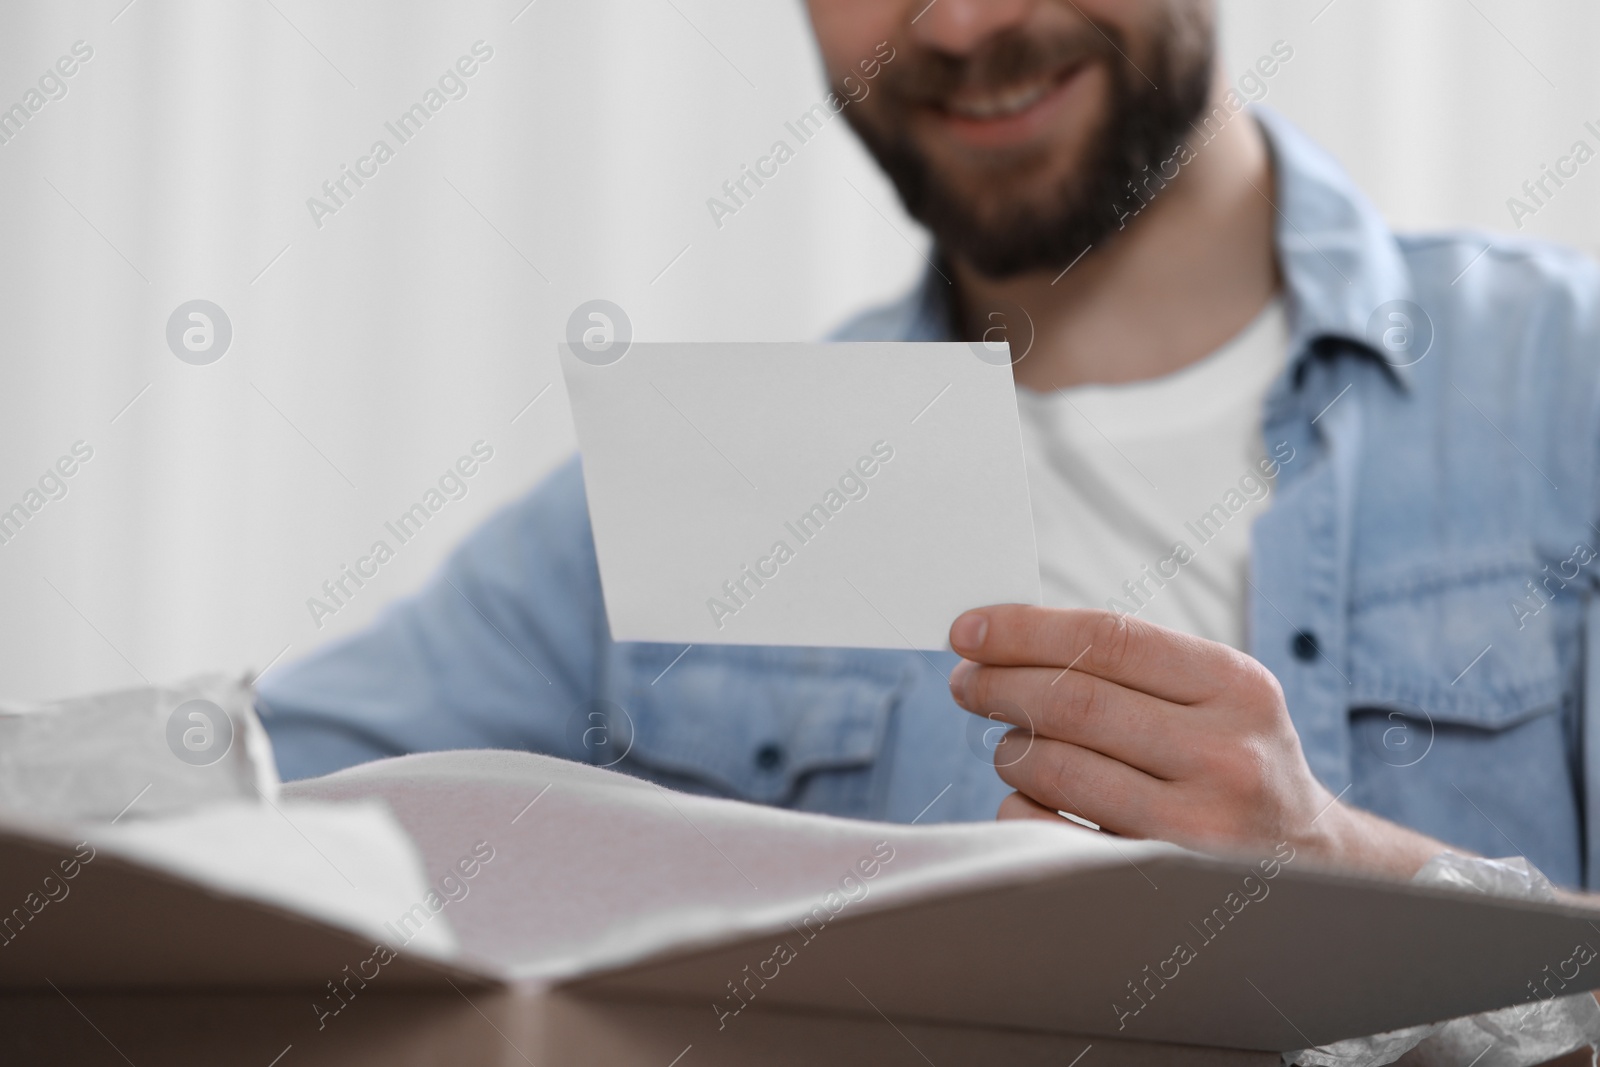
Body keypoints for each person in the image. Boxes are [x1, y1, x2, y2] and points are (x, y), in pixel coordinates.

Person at [258, 0, 1600, 892]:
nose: (958, 24)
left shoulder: (1565, 382)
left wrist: (1354, 889)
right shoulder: (727, 477)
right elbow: (219, 816)